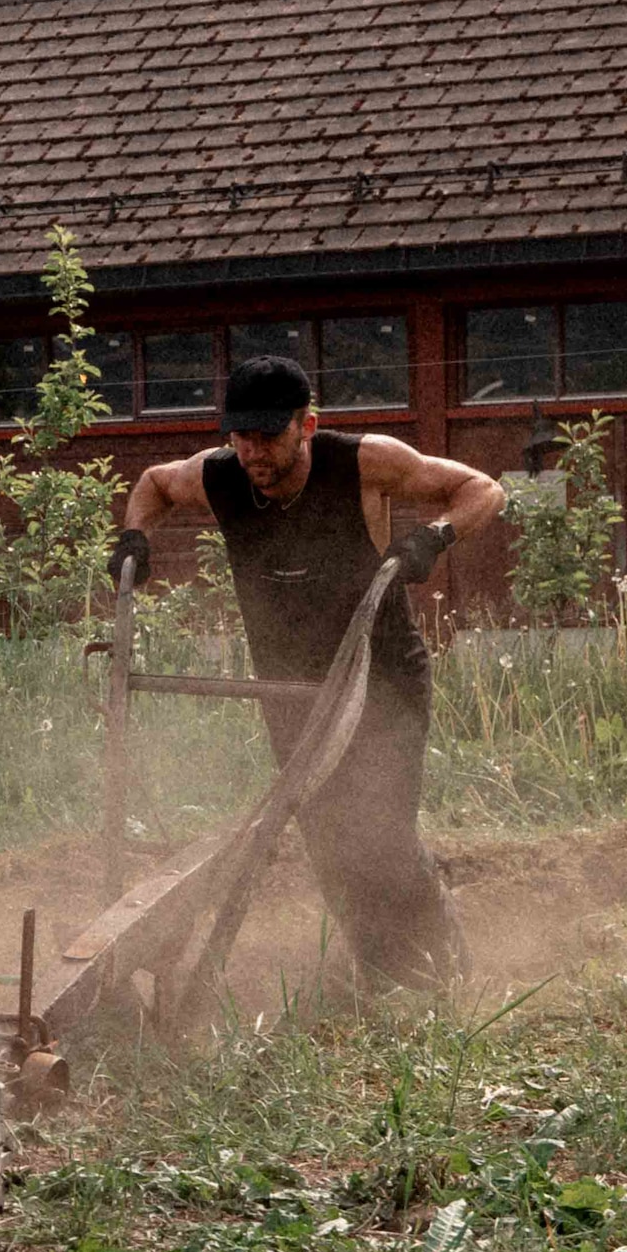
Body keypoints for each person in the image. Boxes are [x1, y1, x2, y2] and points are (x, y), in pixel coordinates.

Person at [112, 352, 505, 990]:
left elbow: (482, 489)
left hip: (382, 678)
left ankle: (442, 968)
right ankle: (378, 970)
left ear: (307, 425)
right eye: (241, 437)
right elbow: (154, 486)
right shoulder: (220, 476)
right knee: (325, 837)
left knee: (380, 832)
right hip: (290, 685)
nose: (254, 454)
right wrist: (136, 538)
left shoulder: (364, 463)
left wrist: (433, 538)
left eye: (268, 437)